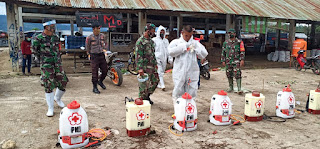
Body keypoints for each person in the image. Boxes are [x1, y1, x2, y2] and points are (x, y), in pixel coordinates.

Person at [32, 19, 68, 117]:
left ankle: (58, 98)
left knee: (63, 82)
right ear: (46, 26)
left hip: (57, 63)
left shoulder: (56, 37)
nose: (54, 27)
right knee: (48, 85)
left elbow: (58, 50)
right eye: (52, 25)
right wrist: (44, 60)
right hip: (46, 64)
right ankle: (50, 108)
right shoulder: (38, 38)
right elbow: (35, 51)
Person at [168, 25, 208, 101]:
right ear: (182, 33)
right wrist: (182, 47)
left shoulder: (195, 43)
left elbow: (204, 54)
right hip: (180, 70)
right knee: (178, 89)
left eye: (190, 36)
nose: (188, 38)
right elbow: (171, 52)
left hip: (192, 71)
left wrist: (197, 49)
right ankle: (179, 108)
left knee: (192, 90)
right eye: (186, 35)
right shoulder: (176, 42)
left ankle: (190, 108)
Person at [135, 23, 159, 104]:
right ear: (148, 31)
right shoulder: (140, 42)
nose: (153, 33)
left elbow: (153, 54)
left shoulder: (151, 41)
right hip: (144, 67)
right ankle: (141, 100)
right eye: (152, 31)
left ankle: (147, 95)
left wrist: (155, 64)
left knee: (155, 81)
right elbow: (138, 56)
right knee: (144, 85)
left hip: (152, 66)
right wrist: (140, 68)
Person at [85, 22, 108, 94]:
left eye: (99, 28)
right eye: (97, 28)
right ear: (93, 29)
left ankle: (100, 81)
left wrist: (105, 50)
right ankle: (94, 87)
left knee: (105, 70)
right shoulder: (89, 37)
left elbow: (105, 43)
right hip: (94, 56)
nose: (98, 30)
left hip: (101, 55)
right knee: (94, 73)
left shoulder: (102, 36)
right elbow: (87, 47)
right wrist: (88, 54)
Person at [221, 29, 245, 93]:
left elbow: (242, 51)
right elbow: (223, 52)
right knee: (229, 74)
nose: (230, 34)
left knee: (237, 74)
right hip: (228, 61)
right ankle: (231, 87)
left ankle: (239, 88)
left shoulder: (239, 42)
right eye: (229, 33)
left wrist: (242, 59)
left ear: (234, 34)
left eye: (231, 33)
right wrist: (223, 60)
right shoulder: (225, 43)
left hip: (236, 61)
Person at [152, 25, 173, 91]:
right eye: (161, 31)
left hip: (164, 58)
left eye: (163, 31)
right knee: (159, 71)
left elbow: (168, 50)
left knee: (161, 71)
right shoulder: (154, 40)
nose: (162, 33)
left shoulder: (166, 41)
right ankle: (162, 85)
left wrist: (170, 58)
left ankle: (158, 83)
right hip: (156, 58)